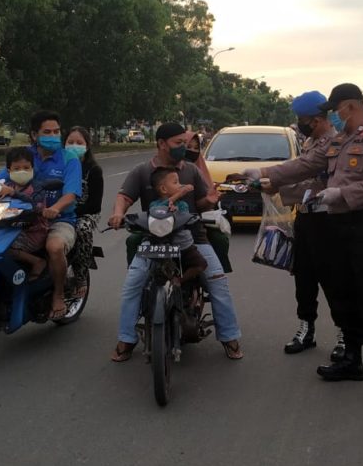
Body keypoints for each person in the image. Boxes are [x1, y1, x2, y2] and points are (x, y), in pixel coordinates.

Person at [249, 83, 363, 404]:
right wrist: (265, 174)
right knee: (343, 294)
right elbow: (306, 167)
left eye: (335, 110)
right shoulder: (339, 140)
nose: (333, 116)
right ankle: (352, 360)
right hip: (336, 226)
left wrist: (343, 193)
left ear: (350, 106)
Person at [107, 122, 242, 362]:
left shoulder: (191, 170)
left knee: (217, 282)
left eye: (185, 143)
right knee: (132, 284)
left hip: (194, 239)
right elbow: (124, 197)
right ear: (161, 144)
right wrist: (118, 214)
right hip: (153, 239)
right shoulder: (142, 171)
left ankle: (229, 336)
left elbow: (200, 203)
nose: (184, 147)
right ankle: (126, 339)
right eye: (178, 143)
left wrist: (210, 200)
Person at [265, 90, 345, 356]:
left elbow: (313, 179)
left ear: (317, 119)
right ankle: (306, 328)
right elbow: (299, 172)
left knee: (333, 280)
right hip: (306, 217)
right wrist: (275, 184)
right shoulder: (311, 141)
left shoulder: (333, 143)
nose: (299, 124)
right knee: (304, 277)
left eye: (302, 119)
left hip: (326, 219)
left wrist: (275, 183)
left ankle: (344, 334)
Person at [0, 110, 81, 319]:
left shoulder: (69, 158)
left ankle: (58, 294)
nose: (53, 136)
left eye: (56, 131)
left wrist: (55, 208)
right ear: (34, 135)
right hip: (22, 217)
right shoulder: (23, 155)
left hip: (59, 219)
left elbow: (71, 194)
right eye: (47, 132)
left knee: (54, 247)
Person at [148, 166, 208, 284]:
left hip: (184, 245)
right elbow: (156, 211)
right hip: (162, 246)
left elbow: (185, 218)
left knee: (201, 264)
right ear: (163, 189)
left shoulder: (182, 205)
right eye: (176, 182)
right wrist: (178, 195)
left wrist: (176, 211)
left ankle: (179, 280)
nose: (180, 185)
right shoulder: (154, 204)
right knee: (151, 266)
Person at [1, 147, 52, 278]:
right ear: (9, 170)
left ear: (32, 169)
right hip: (9, 229)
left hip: (33, 232)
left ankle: (37, 262)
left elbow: (35, 204)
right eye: (17, 169)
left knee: (3, 248)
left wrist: (14, 193)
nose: (22, 171)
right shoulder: (6, 186)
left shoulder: (37, 188)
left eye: (26, 168)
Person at [64, 126, 103, 296]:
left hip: (85, 213)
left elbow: (94, 205)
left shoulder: (93, 170)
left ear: (87, 146)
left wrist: (73, 211)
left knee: (82, 229)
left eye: (79, 143)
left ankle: (80, 275)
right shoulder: (60, 166)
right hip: (60, 210)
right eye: (70, 142)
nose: (74, 146)